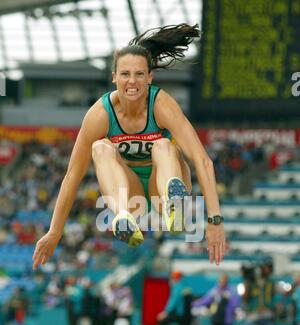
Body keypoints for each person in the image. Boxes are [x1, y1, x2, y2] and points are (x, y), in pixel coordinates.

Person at [32, 23, 226, 269]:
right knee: (100, 148)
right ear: (114, 77)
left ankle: (173, 204)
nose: (132, 82)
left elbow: (202, 161)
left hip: (163, 182)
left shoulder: (161, 104)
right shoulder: (100, 114)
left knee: (163, 145)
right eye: (125, 74)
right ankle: (122, 217)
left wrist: (215, 220)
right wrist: (54, 232)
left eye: (139, 74)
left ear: (149, 78)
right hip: (131, 194)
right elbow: (72, 175)